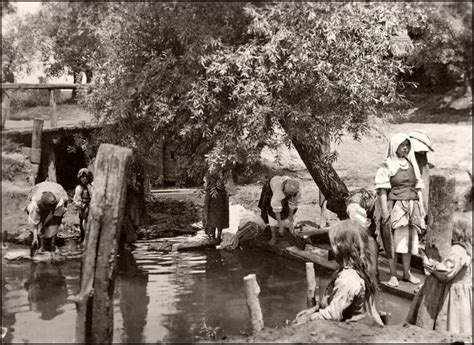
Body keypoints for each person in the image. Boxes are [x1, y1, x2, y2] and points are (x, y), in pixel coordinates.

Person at [293, 220, 383, 326]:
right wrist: (315, 309)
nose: (330, 249)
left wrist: (308, 318)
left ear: (343, 247)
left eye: (332, 245)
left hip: (351, 331)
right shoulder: (356, 271)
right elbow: (339, 301)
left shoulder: (348, 278)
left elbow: (332, 314)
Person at [375, 133, 426, 287]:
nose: (405, 148)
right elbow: (382, 189)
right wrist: (384, 211)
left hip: (411, 207)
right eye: (402, 145)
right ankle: (393, 275)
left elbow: (417, 187)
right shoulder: (388, 164)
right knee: (391, 241)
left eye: (407, 145)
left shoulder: (412, 163)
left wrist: (421, 206)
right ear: (394, 146)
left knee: (408, 242)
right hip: (395, 206)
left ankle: (406, 272)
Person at [406, 214, 472, 334]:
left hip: (454, 294)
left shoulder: (457, 250)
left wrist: (430, 264)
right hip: (462, 292)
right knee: (460, 322)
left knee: (451, 320)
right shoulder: (468, 249)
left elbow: (446, 272)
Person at [345, 188, 381, 281]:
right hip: (357, 207)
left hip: (358, 204)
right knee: (366, 240)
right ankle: (368, 272)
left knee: (369, 239)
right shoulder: (358, 207)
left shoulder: (375, 201)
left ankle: (372, 271)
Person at [25, 181, 69, 253]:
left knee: (54, 222)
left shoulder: (59, 203)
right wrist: (35, 237)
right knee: (41, 221)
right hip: (40, 188)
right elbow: (35, 222)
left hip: (57, 190)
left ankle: (53, 243)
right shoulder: (35, 204)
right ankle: (42, 245)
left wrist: (45, 225)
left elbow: (56, 218)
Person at [258, 175, 300, 245]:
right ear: (284, 189)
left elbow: (292, 205)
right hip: (272, 186)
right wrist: (280, 225)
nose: (287, 195)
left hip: (285, 181)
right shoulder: (278, 191)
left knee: (288, 214)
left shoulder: (297, 192)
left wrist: (290, 218)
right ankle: (273, 236)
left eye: (290, 194)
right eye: (286, 193)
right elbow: (276, 210)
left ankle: (287, 230)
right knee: (271, 213)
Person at [203, 169, 236, 245]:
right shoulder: (224, 173)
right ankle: (216, 236)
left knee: (214, 215)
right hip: (217, 196)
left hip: (215, 196)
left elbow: (206, 185)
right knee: (217, 216)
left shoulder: (215, 172)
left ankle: (214, 236)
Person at [73, 168, 93, 243]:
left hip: (92, 206)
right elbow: (77, 199)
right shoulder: (79, 188)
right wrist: (80, 206)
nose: (84, 179)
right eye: (82, 177)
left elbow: (94, 196)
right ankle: (83, 237)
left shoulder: (92, 187)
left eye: (85, 177)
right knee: (82, 223)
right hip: (83, 207)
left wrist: (89, 187)